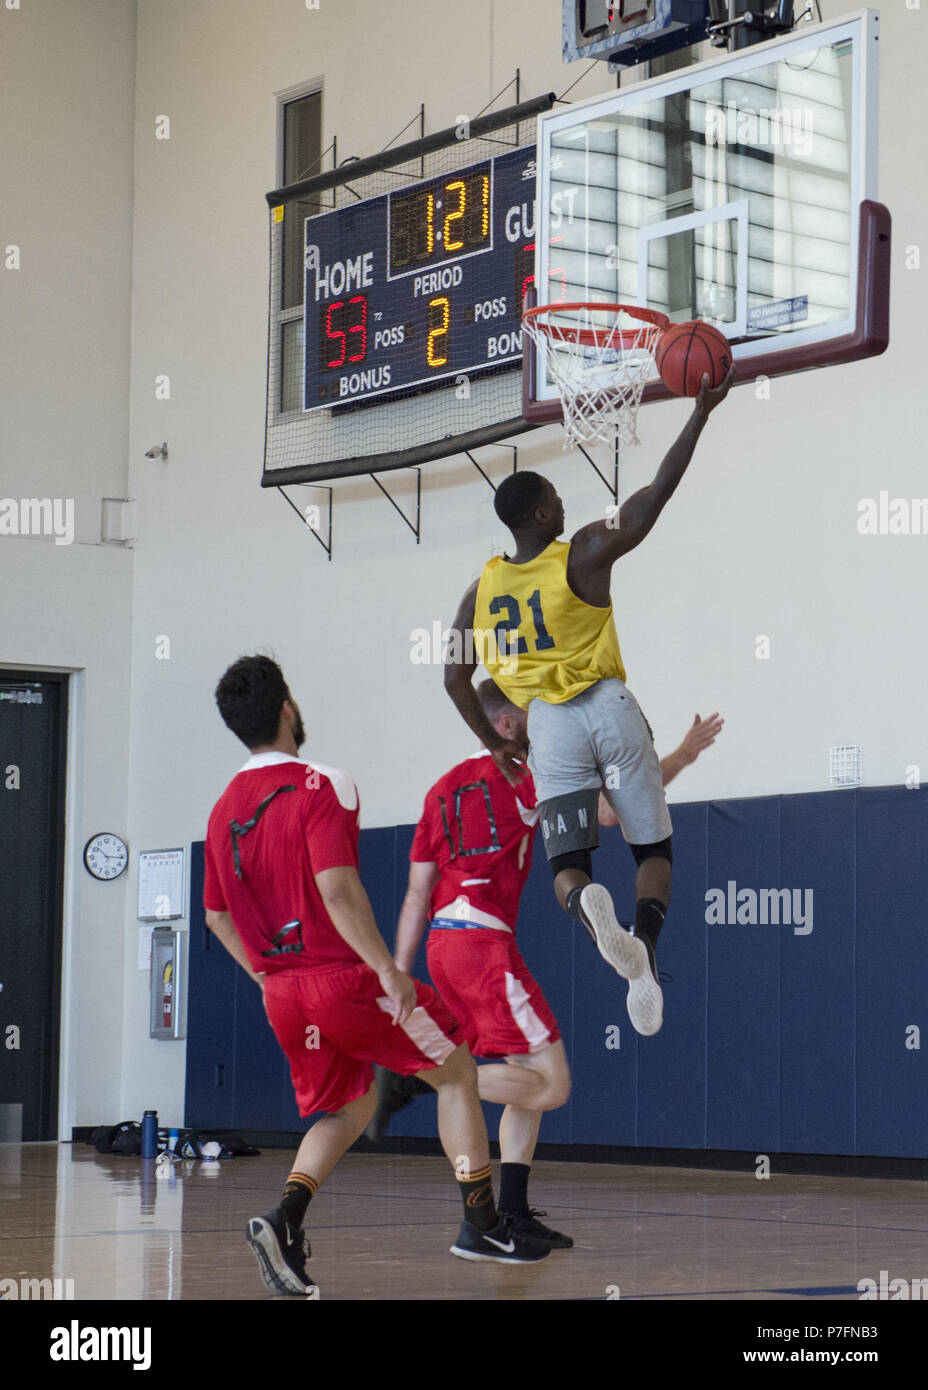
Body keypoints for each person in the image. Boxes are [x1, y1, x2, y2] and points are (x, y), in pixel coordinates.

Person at [203, 655, 551, 1296]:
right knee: (456, 1071)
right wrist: (386, 969)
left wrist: (263, 976)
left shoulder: (223, 807)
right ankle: (480, 1224)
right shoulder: (323, 783)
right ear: (288, 708)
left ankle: (284, 1220)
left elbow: (216, 914)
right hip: (343, 980)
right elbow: (337, 890)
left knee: (350, 1104)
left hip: (282, 995)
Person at [374, 680, 722, 1239]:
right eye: (528, 711)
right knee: (552, 1084)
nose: (544, 721)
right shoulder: (524, 772)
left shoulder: (440, 790)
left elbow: (417, 893)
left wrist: (398, 974)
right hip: (482, 944)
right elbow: (611, 813)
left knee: (526, 1081)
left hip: (443, 944)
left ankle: (510, 1210)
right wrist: (680, 755)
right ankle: (422, 1077)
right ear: (506, 726)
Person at [443, 371, 733, 1034]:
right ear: (543, 514)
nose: (563, 506)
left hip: (547, 727)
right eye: (555, 499)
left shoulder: (480, 591)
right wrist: (702, 413)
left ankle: (600, 920)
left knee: (568, 865)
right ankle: (647, 950)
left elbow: (455, 682)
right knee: (652, 850)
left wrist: (500, 747)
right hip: (606, 703)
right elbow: (654, 497)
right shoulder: (582, 556)